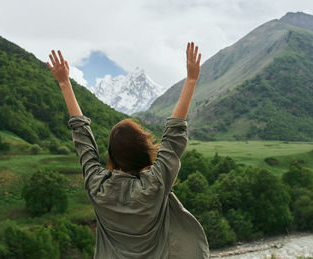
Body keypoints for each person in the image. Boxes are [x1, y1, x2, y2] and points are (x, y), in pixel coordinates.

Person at [46, 42, 209, 259]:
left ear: (111, 155)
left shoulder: (98, 188)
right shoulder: (155, 186)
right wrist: (191, 80)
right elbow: (174, 136)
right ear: (143, 149)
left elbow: (82, 139)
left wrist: (65, 83)